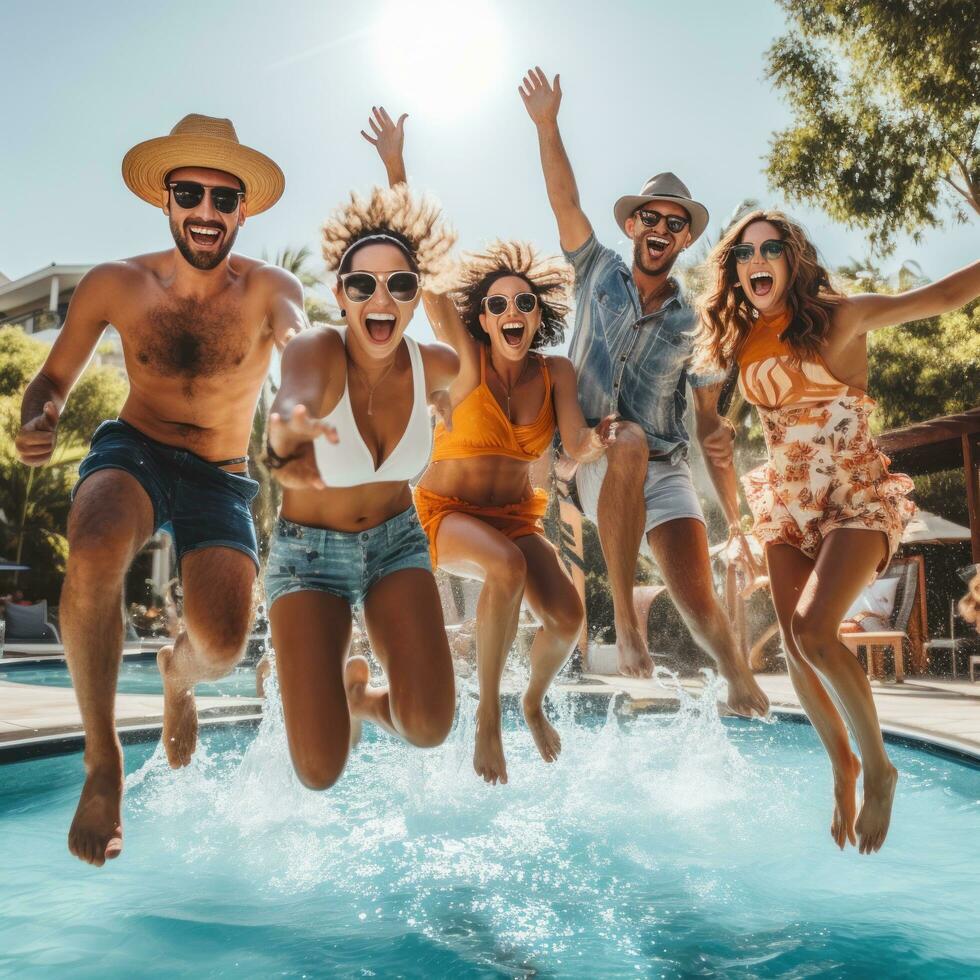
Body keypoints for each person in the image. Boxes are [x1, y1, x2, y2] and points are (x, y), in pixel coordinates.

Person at [15, 114, 300, 867]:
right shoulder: (117, 284)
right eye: (189, 193)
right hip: (134, 446)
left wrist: (308, 394)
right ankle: (102, 760)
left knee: (223, 644)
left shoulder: (270, 288)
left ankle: (179, 677)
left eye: (223, 197)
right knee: (97, 535)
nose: (206, 210)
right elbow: (52, 377)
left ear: (245, 210)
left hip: (221, 474)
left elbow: (299, 338)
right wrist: (38, 412)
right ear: (165, 201)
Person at [697, 208, 980, 852]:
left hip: (855, 497)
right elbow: (713, 432)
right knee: (797, 649)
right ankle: (842, 766)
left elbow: (944, 296)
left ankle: (879, 768)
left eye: (771, 248)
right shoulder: (740, 342)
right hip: (789, 506)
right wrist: (733, 510)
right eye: (744, 254)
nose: (757, 260)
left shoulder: (844, 318)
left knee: (815, 631)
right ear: (736, 272)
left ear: (792, 260)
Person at [363, 106, 617, 785]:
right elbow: (423, 255)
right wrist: (396, 166)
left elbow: (574, 446)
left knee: (566, 617)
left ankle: (533, 702)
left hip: (516, 518)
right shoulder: (463, 348)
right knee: (503, 568)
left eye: (525, 304)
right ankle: (486, 722)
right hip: (442, 514)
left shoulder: (553, 372)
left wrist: (602, 440)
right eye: (499, 304)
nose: (512, 313)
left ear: (538, 317)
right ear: (483, 315)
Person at [519, 67, 769, 717]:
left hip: (666, 469)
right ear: (634, 227)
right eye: (649, 217)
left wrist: (736, 514)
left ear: (684, 238)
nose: (659, 228)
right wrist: (547, 125)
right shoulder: (598, 270)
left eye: (673, 223)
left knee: (699, 601)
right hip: (596, 452)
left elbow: (709, 423)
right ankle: (626, 623)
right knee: (624, 438)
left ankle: (741, 682)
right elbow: (564, 204)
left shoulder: (700, 323)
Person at [263, 183, 459, 790]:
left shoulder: (439, 365)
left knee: (428, 727)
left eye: (399, 284)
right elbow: (291, 403)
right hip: (308, 560)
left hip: (396, 547)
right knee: (319, 772)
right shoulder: (317, 349)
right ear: (340, 295)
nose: (381, 297)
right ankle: (340, 690)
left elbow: (467, 374)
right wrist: (286, 439)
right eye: (362, 285)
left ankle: (366, 702)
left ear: (415, 295)